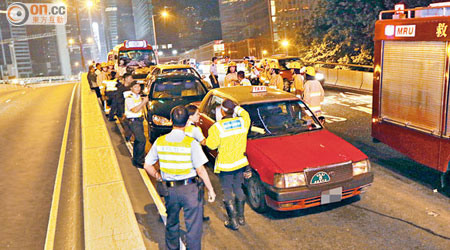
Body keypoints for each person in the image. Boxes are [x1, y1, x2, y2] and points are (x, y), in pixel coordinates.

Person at [144, 106, 216, 250]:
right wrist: (211, 190)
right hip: (189, 189)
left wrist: (159, 176)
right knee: (193, 227)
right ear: (186, 121)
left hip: (170, 189)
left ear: (171, 121)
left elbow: (147, 165)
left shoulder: (160, 141)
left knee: (172, 222)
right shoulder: (191, 143)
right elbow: (200, 170)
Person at [206, 99, 251, 231]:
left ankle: (233, 221)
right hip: (240, 163)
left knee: (227, 192)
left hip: (226, 166)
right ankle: (241, 218)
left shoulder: (217, 127)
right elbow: (246, 114)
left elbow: (211, 145)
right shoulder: (243, 122)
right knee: (238, 188)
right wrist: (237, 108)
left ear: (222, 111)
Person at [185, 104, 211, 221]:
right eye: (197, 114)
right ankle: (199, 215)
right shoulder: (195, 130)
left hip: (183, 162)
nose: (199, 115)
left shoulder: (181, 127)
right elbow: (204, 142)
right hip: (195, 162)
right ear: (190, 116)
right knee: (198, 191)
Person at [125, 81, 149, 168]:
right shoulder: (129, 98)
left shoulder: (138, 96)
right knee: (142, 140)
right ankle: (139, 161)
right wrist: (144, 102)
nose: (138, 88)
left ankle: (136, 159)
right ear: (131, 88)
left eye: (138, 86)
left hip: (139, 120)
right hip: (133, 121)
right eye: (135, 87)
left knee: (138, 141)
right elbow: (134, 110)